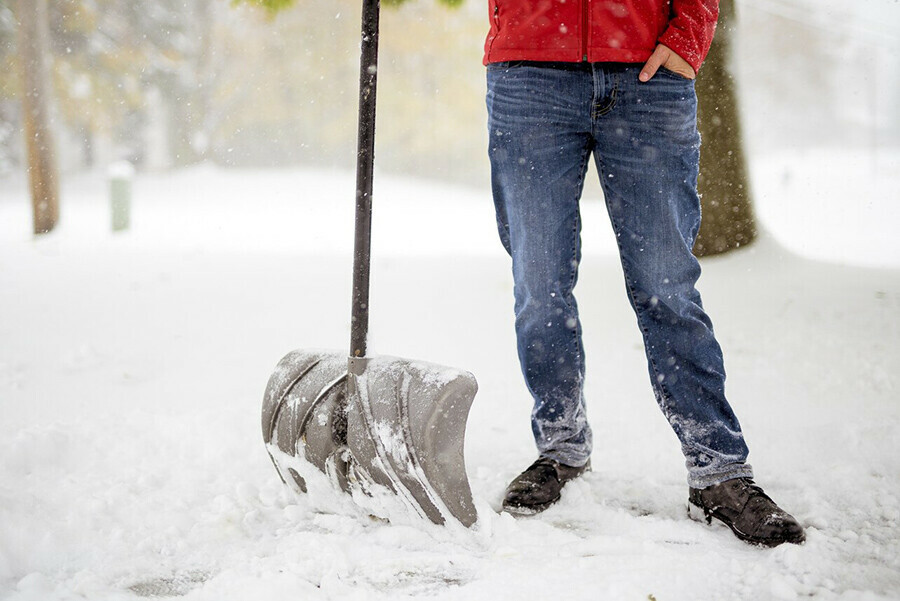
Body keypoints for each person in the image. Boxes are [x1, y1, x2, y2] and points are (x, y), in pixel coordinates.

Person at [484, 0, 805, 546]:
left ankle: (718, 471)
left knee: (666, 287)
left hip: (648, 75)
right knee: (540, 287)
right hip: (530, 76)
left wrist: (689, 35)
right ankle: (560, 448)